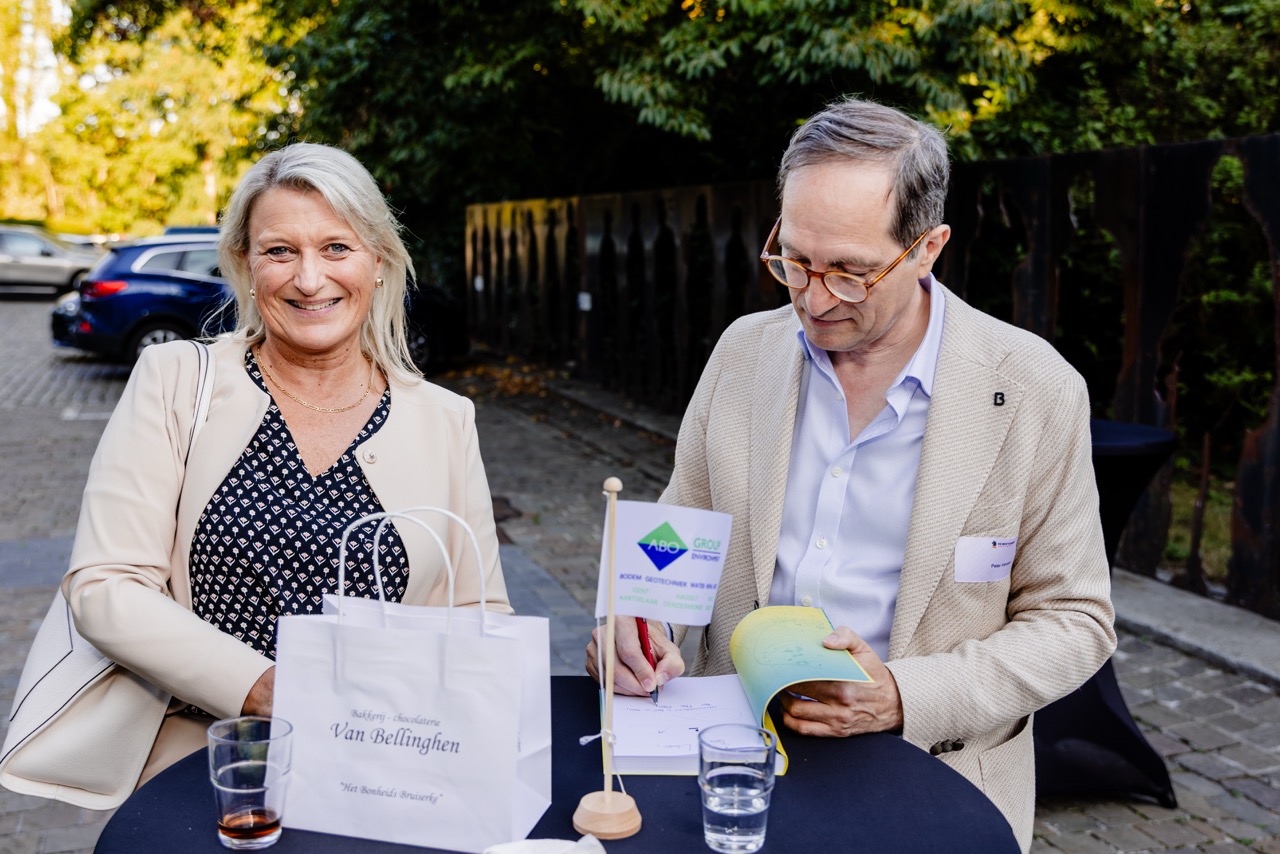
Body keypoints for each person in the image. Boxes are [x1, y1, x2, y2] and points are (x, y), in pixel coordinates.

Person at [587, 97, 1115, 851]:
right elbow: (679, 538)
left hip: (930, 775)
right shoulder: (742, 352)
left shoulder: (1034, 388)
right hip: (733, 762)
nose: (812, 297)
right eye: (794, 259)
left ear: (928, 248)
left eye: (850, 273)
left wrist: (902, 695)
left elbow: (1075, 621)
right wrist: (635, 625)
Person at [62, 142, 510, 787]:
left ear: (378, 262)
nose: (309, 278)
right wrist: (263, 687)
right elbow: (106, 584)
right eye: (280, 251)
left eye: (336, 247)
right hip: (208, 763)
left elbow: (480, 613)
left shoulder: (444, 418)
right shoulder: (173, 379)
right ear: (245, 265)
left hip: (383, 771)